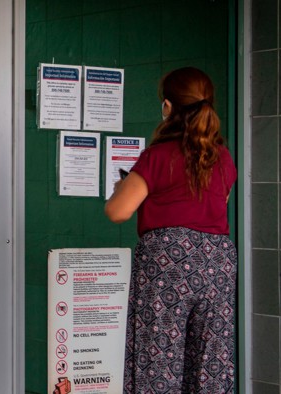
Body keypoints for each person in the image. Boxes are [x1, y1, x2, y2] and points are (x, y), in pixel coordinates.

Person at [105, 67, 237, 393]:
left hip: (168, 265)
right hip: (218, 263)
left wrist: (124, 185)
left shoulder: (158, 156)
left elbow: (117, 211)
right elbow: (219, 201)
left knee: (159, 358)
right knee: (211, 361)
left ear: (167, 107)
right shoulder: (222, 158)